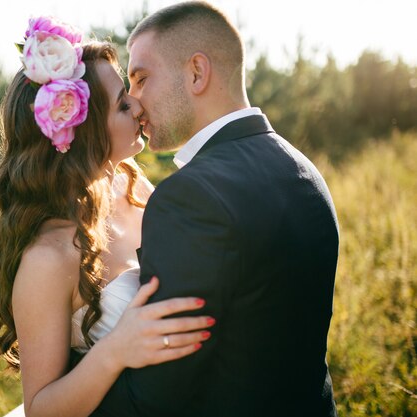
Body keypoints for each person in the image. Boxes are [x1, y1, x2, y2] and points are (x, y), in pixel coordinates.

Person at [89, 2, 339, 416]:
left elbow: (156, 396)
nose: (134, 101)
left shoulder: (189, 197)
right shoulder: (305, 171)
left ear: (196, 72)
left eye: (141, 79)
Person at [0, 17, 215, 417]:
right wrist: (115, 350)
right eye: (123, 104)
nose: (139, 105)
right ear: (86, 132)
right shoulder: (48, 257)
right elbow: (40, 408)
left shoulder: (131, 183)